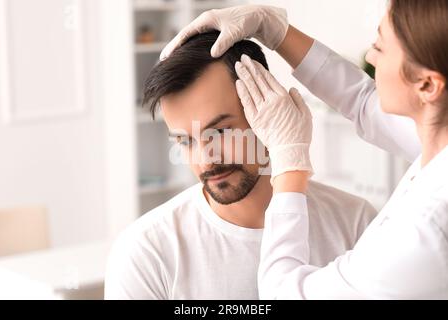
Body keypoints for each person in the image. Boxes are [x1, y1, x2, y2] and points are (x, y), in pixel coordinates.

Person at [162, 1, 448, 299]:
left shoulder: (420, 235)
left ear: (428, 86)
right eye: (185, 140)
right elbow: (362, 100)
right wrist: (276, 31)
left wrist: (290, 162)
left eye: (381, 47)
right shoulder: (150, 249)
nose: (370, 57)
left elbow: (283, 295)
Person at [104, 32, 377, 299]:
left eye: (221, 131)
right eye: (185, 141)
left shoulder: (354, 223)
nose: (205, 159)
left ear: (268, 105)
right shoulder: (146, 253)